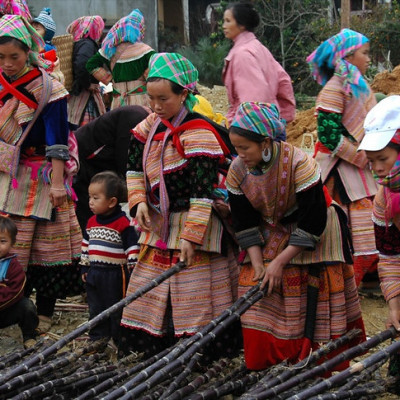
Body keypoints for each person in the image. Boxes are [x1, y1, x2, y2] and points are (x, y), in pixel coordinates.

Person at [226, 101, 365, 371]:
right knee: (256, 284)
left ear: (265, 143)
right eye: (236, 148)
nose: (240, 154)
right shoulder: (237, 171)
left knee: (310, 285)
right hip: (272, 226)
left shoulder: (300, 164)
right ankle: (268, 359)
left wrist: (278, 262)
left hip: (316, 224)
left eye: (245, 148)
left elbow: (313, 221)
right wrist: (258, 265)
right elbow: (244, 221)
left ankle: (317, 361)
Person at [119, 52, 240, 361]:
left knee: (195, 292)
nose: (157, 106)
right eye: (151, 99)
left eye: (164, 99)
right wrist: (138, 201)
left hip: (195, 222)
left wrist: (191, 237)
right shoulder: (148, 127)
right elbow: (133, 168)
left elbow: (203, 193)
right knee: (147, 288)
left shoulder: (199, 131)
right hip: (159, 222)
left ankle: (195, 355)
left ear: (184, 93)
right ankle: (147, 351)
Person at [0, 15, 82, 334]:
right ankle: (13, 308)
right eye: (1, 57)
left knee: (48, 249)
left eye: (14, 57)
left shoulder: (49, 89)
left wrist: (59, 184)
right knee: (8, 244)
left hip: (43, 177)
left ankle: (43, 311)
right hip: (7, 171)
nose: (7, 63)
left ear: (29, 52)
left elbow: (57, 141)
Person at [307, 29, 379, 289]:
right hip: (339, 170)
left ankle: (368, 275)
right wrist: (362, 157)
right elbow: (328, 136)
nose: (369, 58)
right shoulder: (334, 89)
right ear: (347, 56)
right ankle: (347, 280)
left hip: (360, 164)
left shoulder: (357, 85)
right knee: (347, 223)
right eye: (365, 53)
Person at [358, 96, 400, 394]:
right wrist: (395, 304)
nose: (377, 170)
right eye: (371, 162)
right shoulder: (384, 200)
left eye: (383, 159)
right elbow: (389, 256)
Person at [80, 171, 139, 346]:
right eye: (90, 197)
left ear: (112, 202)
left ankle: (119, 340)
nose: (90, 202)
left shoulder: (123, 223)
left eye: (96, 198)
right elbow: (86, 245)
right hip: (95, 272)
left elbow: (132, 247)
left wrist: (133, 266)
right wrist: (85, 267)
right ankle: (98, 338)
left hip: (115, 274)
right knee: (96, 306)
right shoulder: (91, 222)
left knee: (116, 307)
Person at [73, 105, 150, 232]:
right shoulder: (135, 119)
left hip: (98, 165)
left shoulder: (141, 119)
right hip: (83, 162)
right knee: (91, 219)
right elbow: (125, 164)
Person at [222, 2, 295, 129]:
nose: (224, 26)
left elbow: (253, 101)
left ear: (242, 24)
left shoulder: (242, 54)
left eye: (228, 21)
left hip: (252, 129)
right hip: (270, 122)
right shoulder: (259, 48)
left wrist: (243, 130)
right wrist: (282, 116)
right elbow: (284, 81)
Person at [86, 8, 155, 110]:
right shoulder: (146, 52)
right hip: (141, 104)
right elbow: (153, 77)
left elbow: (90, 65)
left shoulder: (110, 50)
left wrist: (109, 78)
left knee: (121, 125)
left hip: (118, 103)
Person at [0, 216, 38, 349]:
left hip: (4, 310)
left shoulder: (13, 266)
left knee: (26, 306)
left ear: (12, 243)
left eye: (2, 241)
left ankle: (29, 336)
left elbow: (15, 292)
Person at [66, 16, 106, 129]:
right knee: (87, 130)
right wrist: (88, 84)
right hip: (84, 96)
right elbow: (81, 64)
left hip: (77, 93)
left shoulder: (79, 43)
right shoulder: (87, 44)